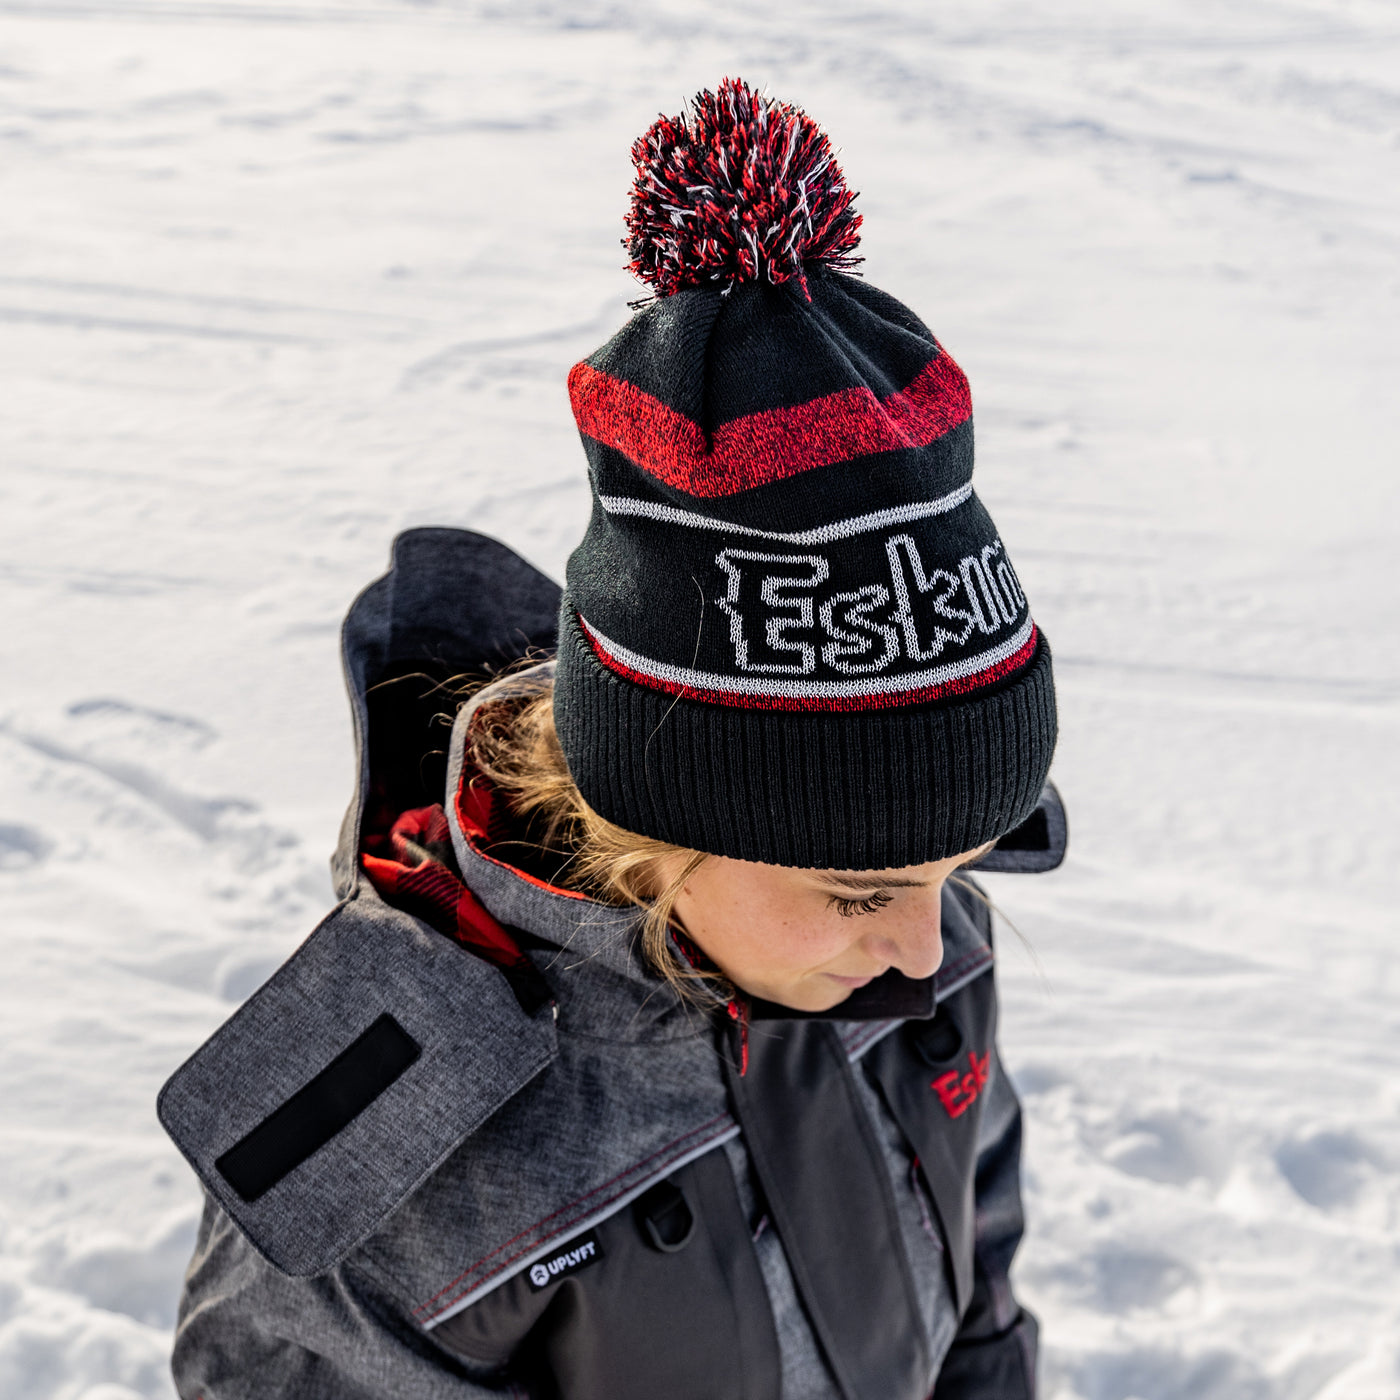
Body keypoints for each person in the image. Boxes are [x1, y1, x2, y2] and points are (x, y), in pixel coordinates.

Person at [159, 77, 1064, 1400]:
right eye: (864, 888)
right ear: (658, 826)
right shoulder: (400, 1162)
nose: (933, 950)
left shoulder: (900, 936)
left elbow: (974, 1281)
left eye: (956, 865)